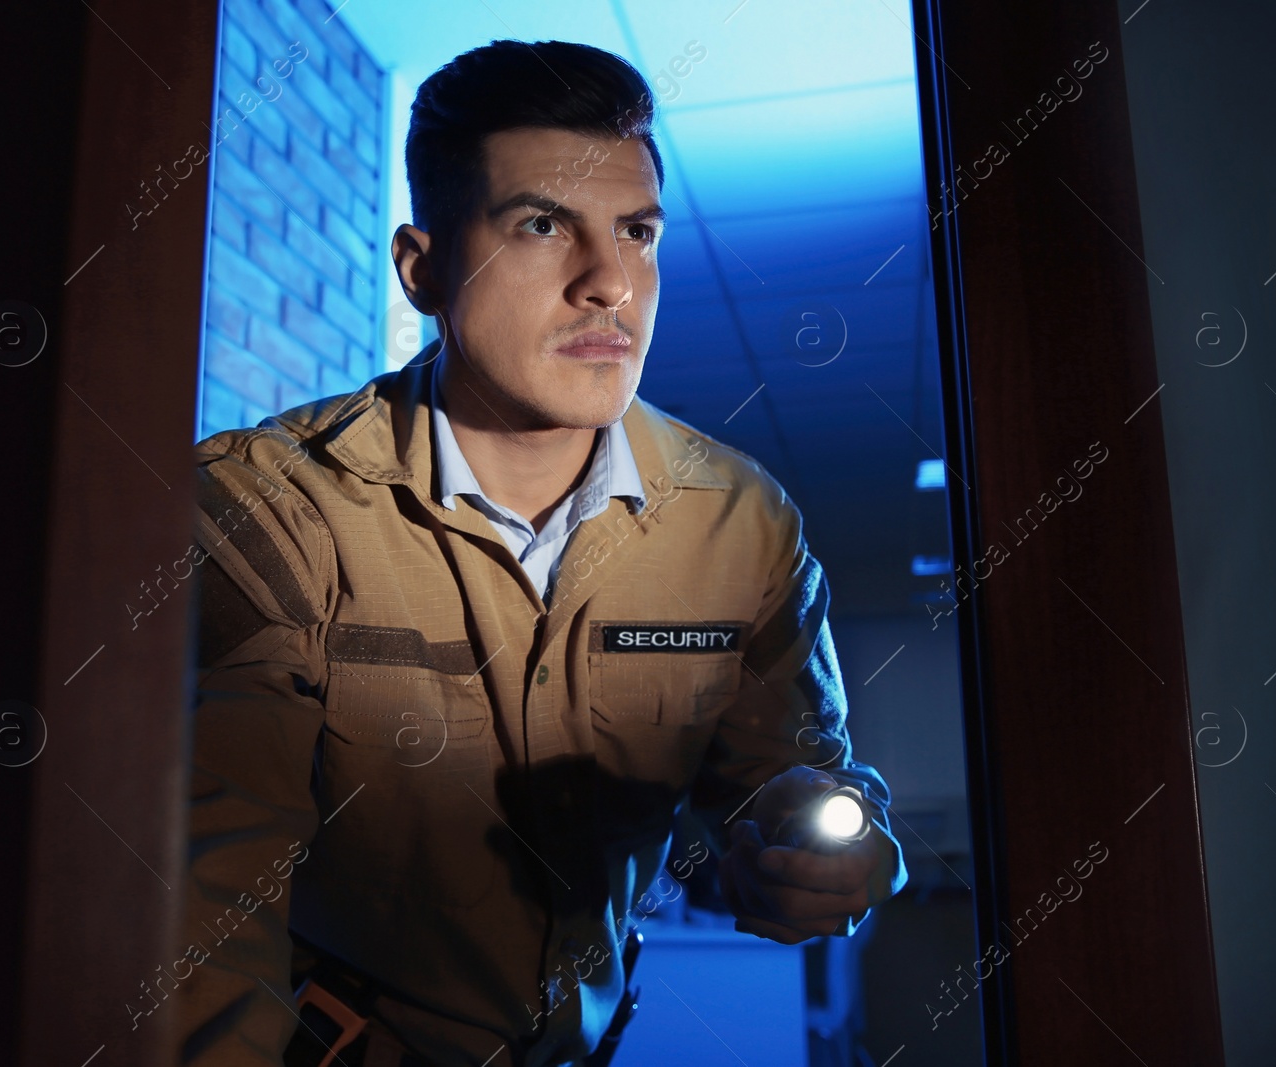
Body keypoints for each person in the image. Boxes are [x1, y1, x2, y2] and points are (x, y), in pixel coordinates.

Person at [174, 38, 907, 1067]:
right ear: (421, 269)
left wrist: (827, 844)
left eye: (638, 232)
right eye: (540, 224)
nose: (610, 282)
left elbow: (795, 771)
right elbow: (203, 909)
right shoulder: (272, 505)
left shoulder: (740, 521)